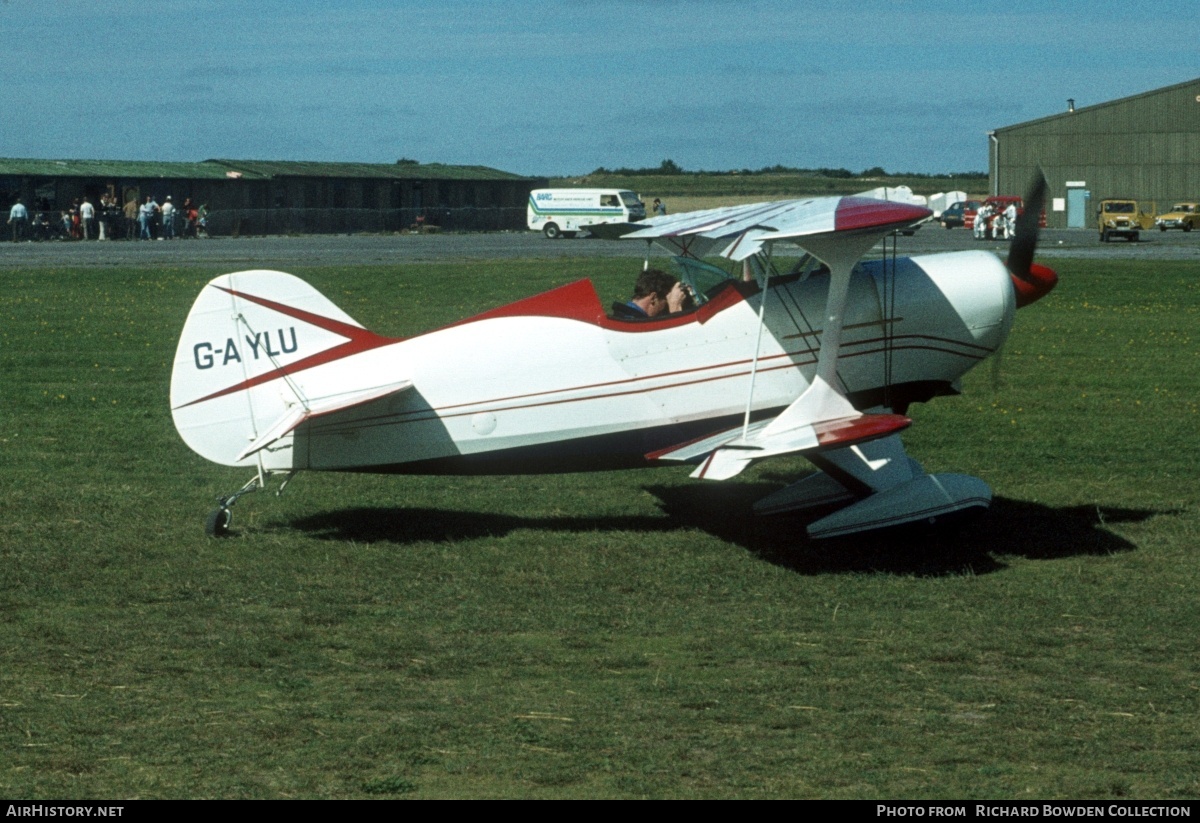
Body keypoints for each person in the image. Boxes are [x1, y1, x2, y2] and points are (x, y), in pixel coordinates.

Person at [611, 268, 689, 320]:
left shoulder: (622, 315)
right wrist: (675, 309)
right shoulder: (632, 322)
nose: (666, 309)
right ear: (653, 298)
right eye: (667, 302)